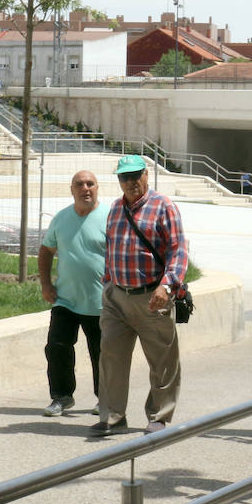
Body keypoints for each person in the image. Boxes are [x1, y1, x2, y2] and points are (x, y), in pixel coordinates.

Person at [92, 155, 189, 438]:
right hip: (116, 297)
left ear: (146, 175)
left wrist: (167, 286)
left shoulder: (163, 206)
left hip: (152, 296)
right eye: (124, 177)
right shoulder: (115, 208)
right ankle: (112, 416)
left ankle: (158, 416)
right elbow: (111, 247)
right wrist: (108, 281)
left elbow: (178, 250)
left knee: (162, 360)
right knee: (110, 355)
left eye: (135, 176)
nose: (130, 182)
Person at [36, 171, 110, 417]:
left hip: (101, 302)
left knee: (102, 353)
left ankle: (106, 399)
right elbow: (46, 250)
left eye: (90, 184)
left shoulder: (110, 217)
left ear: (97, 188)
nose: (85, 188)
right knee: (57, 348)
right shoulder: (61, 218)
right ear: (72, 190)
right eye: (80, 184)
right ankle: (61, 397)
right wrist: (46, 285)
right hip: (65, 300)